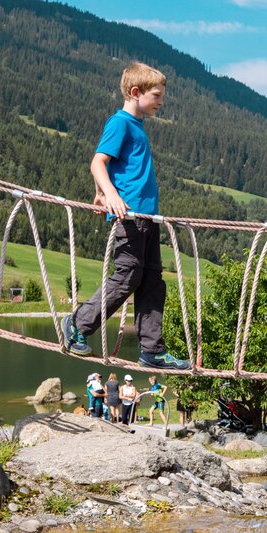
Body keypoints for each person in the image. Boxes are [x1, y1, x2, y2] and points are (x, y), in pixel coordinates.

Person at [59, 62, 190, 370]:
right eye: (156, 95)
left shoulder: (137, 126)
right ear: (136, 92)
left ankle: (152, 351)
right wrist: (112, 195)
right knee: (128, 276)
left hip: (147, 218)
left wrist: (101, 192)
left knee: (153, 283)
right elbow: (98, 162)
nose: (161, 101)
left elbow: (110, 167)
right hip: (130, 217)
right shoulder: (120, 123)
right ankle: (77, 324)